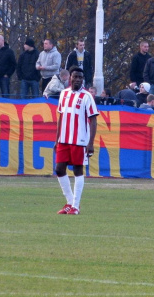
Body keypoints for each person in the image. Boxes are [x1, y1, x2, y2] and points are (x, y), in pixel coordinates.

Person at [55, 66, 99, 215]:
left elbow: (93, 120)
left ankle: (76, 206)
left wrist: (90, 142)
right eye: (75, 77)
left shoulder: (87, 96)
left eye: (80, 77)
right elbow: (61, 117)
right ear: (70, 78)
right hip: (64, 139)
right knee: (59, 169)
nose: (78, 79)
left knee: (77, 170)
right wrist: (57, 139)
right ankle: (69, 202)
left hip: (79, 140)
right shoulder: (63, 94)